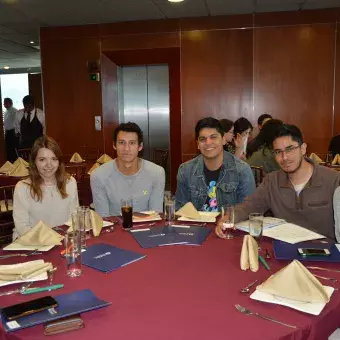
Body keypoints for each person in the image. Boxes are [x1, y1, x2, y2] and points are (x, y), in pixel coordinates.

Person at [215, 124, 340, 240]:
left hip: (325, 253)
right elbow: (250, 205)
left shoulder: (333, 180)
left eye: (290, 149)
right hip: (284, 250)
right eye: (278, 152)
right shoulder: (272, 180)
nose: (284, 157)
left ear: (303, 148)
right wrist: (228, 218)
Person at [176, 117, 256, 212]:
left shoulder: (242, 170)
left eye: (213, 137)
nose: (208, 143)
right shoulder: (186, 170)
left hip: (229, 225)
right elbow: (180, 211)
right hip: (197, 226)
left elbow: (248, 210)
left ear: (223, 140)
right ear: (197, 144)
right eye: (203, 139)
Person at [90, 122, 165, 217]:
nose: (126, 149)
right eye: (121, 143)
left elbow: (156, 216)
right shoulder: (99, 176)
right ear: (114, 145)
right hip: (114, 230)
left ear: (140, 146)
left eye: (132, 143)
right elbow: (104, 220)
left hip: (147, 230)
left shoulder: (157, 173)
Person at [13, 136, 79, 240]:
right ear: (34, 161)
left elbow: (75, 218)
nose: (49, 165)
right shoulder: (22, 187)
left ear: (59, 161)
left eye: (54, 159)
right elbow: (22, 226)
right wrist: (47, 239)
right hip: (33, 242)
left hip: (63, 240)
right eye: (42, 159)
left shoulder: (70, 183)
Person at [3, 98, 18, 162]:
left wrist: (16, 132)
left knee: (13, 150)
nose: (5, 104)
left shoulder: (14, 111)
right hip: (7, 132)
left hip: (13, 132)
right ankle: (10, 163)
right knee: (8, 149)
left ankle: (15, 164)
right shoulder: (6, 112)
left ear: (10, 103)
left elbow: (17, 123)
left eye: (6, 103)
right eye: (4, 103)